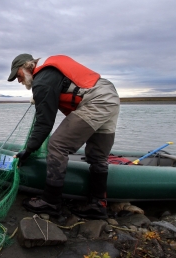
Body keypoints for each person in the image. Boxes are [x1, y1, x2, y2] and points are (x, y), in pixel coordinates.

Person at [7, 53, 120, 219]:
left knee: (57, 144)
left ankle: (51, 201)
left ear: (27, 67)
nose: (19, 80)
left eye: (18, 75)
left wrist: (29, 150)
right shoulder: (48, 74)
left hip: (96, 100)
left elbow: (44, 123)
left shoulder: (43, 79)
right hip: (110, 95)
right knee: (98, 156)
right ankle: (97, 204)